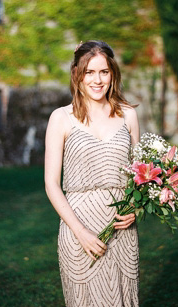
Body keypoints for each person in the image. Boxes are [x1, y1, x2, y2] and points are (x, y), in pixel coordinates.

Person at [44, 40, 140, 307]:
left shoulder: (129, 115)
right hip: (78, 229)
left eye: (104, 72)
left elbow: (138, 175)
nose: (97, 80)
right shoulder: (61, 118)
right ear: (78, 75)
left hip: (122, 230)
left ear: (113, 74)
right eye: (90, 72)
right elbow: (51, 184)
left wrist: (135, 207)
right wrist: (81, 232)